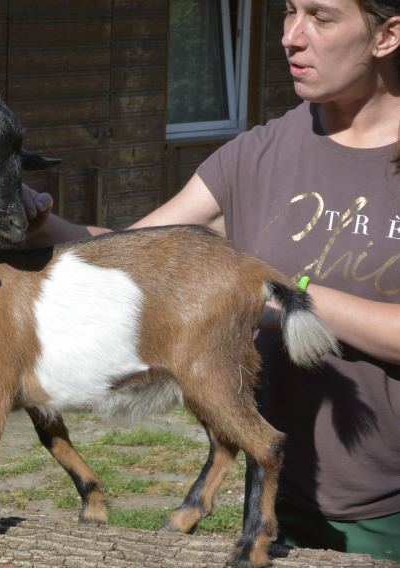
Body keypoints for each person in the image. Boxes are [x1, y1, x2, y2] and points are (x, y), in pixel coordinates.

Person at [21, 0, 400, 560]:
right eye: (290, 12)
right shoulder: (255, 153)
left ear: (387, 35)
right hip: (273, 495)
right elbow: (139, 254)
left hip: (386, 508)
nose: (291, 38)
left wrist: (275, 291)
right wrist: (43, 224)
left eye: (321, 17)